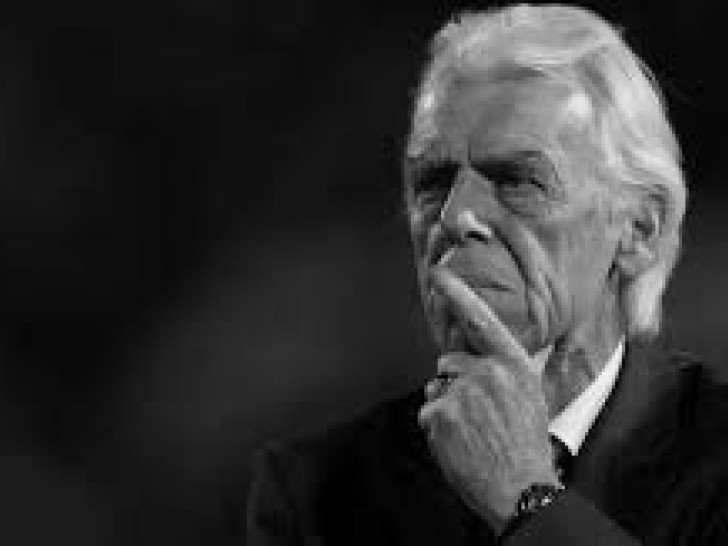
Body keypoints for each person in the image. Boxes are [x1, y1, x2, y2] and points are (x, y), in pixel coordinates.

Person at [245, 4, 728, 544]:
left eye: (517, 180)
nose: (455, 217)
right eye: (433, 183)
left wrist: (526, 498)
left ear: (639, 230)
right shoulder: (315, 496)